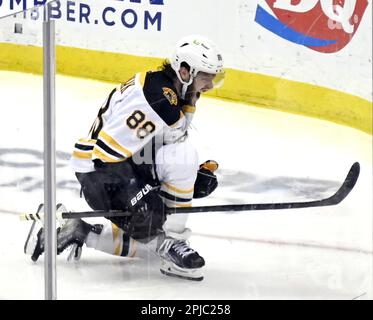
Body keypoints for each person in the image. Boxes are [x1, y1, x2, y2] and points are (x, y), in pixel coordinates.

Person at [24, 35, 225, 281]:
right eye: (207, 77)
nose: (211, 85)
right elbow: (105, 152)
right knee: (149, 223)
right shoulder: (158, 99)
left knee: (155, 227)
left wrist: (187, 181)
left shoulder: (171, 90)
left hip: (126, 161)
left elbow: (167, 147)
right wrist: (137, 194)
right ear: (185, 71)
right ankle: (167, 242)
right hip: (100, 171)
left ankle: (79, 231)